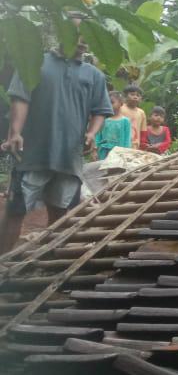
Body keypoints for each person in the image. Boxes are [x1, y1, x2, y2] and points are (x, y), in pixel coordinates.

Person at [0, 26, 113, 254]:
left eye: (86, 36)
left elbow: (100, 109)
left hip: (69, 158)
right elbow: (21, 98)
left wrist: (91, 133)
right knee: (16, 211)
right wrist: (15, 132)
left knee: (61, 215)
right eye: (77, 33)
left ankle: (48, 265)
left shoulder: (94, 75)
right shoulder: (35, 64)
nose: (83, 40)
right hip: (32, 153)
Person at [94, 91, 132, 160]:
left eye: (112, 102)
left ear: (121, 103)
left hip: (119, 154)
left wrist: (126, 153)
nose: (109, 105)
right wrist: (95, 151)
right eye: (107, 103)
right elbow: (98, 136)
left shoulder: (125, 121)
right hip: (103, 153)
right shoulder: (103, 120)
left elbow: (127, 140)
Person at [121, 84, 147, 150]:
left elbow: (143, 131)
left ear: (141, 98)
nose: (135, 97)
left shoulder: (141, 113)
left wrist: (143, 145)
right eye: (132, 94)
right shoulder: (120, 108)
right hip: (120, 143)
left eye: (138, 95)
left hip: (135, 145)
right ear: (125, 96)